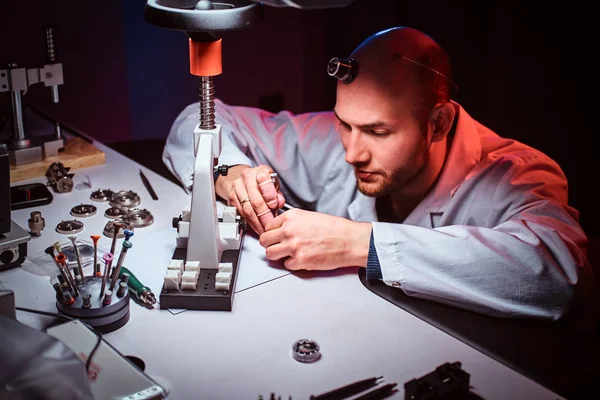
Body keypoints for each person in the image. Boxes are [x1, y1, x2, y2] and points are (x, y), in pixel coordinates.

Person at [163, 26, 595, 320]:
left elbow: (558, 273)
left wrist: (357, 244)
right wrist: (229, 172)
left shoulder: (516, 174)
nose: (351, 151)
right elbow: (194, 119)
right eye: (344, 123)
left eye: (378, 131)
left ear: (439, 123)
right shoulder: (338, 140)